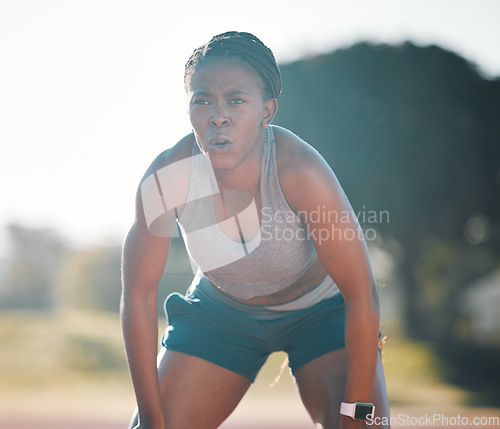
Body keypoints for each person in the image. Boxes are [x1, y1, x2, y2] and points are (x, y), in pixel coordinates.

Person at [121, 31, 390, 429]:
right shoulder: (167, 178)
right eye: (202, 100)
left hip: (319, 313)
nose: (218, 114)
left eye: (236, 100)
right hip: (220, 313)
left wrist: (356, 414)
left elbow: (361, 293)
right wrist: (152, 418)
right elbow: (139, 297)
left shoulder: (300, 170)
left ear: (267, 111)